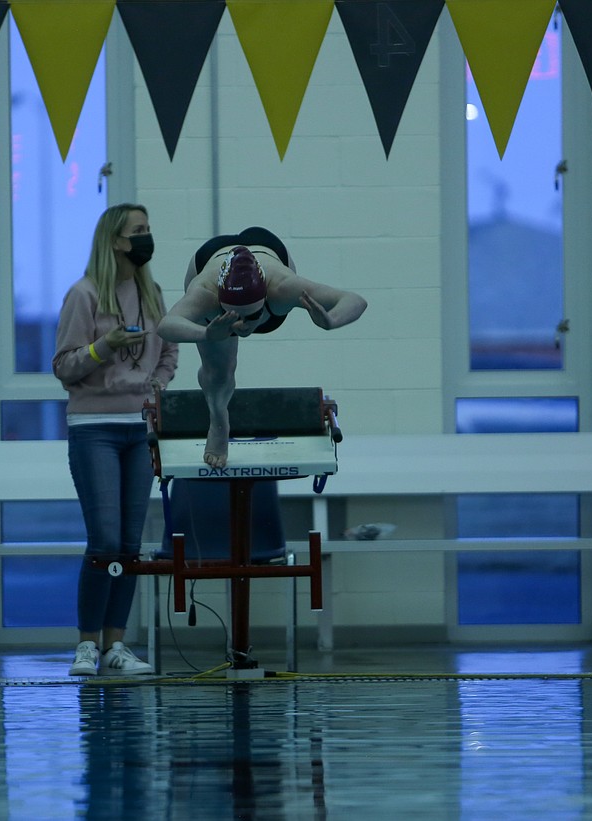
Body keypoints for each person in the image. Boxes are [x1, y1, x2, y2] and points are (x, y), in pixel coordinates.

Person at [52, 203, 179, 676]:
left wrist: (156, 388)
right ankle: (86, 644)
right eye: (139, 231)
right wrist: (104, 347)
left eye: (149, 229)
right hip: (94, 430)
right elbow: (64, 367)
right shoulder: (83, 295)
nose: (147, 237)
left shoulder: (152, 294)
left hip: (139, 429)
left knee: (128, 543)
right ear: (115, 242)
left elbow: (169, 353)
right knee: (104, 539)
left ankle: (115, 645)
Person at [157, 227, 367, 468]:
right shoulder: (205, 292)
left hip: (268, 249)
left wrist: (332, 321)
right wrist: (206, 332)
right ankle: (218, 421)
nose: (243, 325)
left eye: (252, 315)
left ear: (265, 298)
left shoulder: (284, 287)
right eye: (234, 315)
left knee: (220, 359)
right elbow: (166, 325)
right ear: (221, 303)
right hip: (210, 259)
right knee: (218, 372)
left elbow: (355, 300)